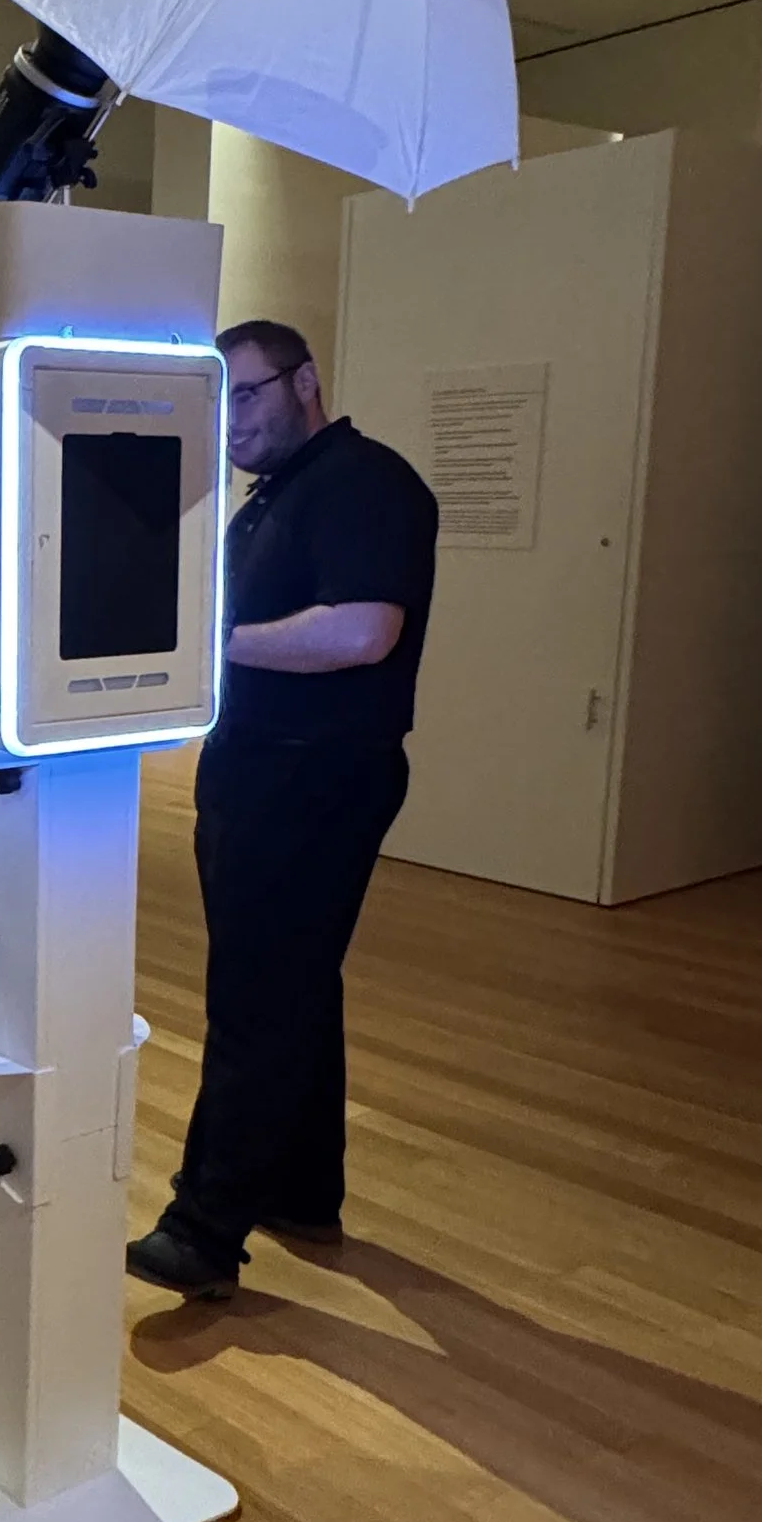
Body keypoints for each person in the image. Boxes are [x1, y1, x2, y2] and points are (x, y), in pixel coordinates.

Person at [127, 319, 440, 1300]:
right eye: (215, 403)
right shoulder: (274, 499)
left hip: (316, 777)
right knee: (295, 982)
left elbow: (360, 631)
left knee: (258, 998)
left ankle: (203, 1229)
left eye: (247, 395)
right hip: (260, 770)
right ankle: (304, 1187)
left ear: (304, 382)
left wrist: (203, 642)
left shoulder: (363, 484)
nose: (230, 422)